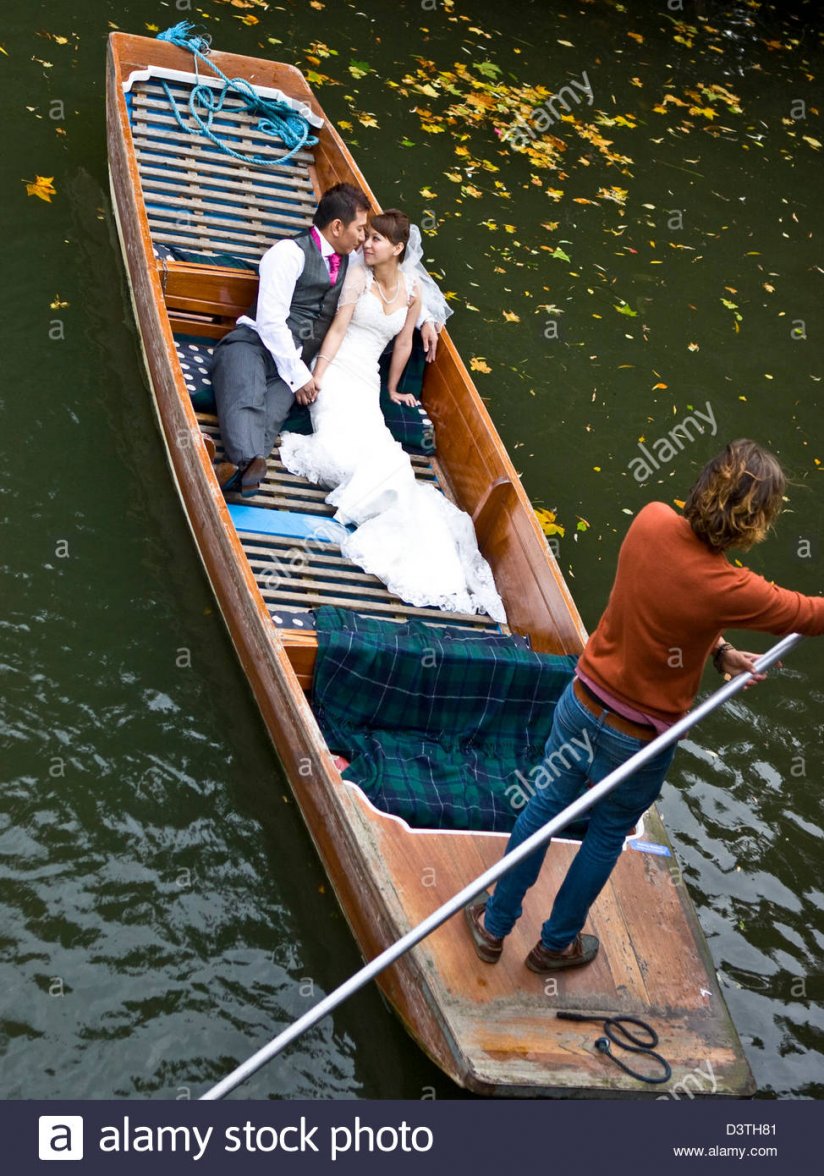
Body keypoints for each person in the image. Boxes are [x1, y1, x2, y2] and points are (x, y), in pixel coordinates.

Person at [465, 439, 824, 972]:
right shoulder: (736, 588)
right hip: (638, 742)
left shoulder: (651, 520)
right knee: (608, 833)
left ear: (704, 486)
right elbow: (810, 614)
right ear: (756, 524)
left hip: (583, 706)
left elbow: (667, 601)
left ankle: (493, 927)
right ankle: (555, 944)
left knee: (543, 809)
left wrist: (718, 649)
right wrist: (720, 644)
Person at [278, 210, 505, 621]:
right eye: (367, 236)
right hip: (339, 371)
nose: (367, 244)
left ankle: (417, 545)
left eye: (377, 240)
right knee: (340, 453)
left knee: (389, 461)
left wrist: (393, 388)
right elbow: (338, 328)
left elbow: (402, 343)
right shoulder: (358, 276)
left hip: (366, 379)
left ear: (398, 249)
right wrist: (318, 375)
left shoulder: (413, 289)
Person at [210, 184, 443, 497]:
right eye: (360, 230)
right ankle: (244, 466)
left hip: (297, 364)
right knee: (247, 395)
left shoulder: (353, 260)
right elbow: (270, 323)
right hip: (252, 345)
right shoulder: (288, 254)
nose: (364, 239)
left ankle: (239, 469)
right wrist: (302, 376)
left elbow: (399, 275)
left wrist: (427, 318)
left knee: (273, 413)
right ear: (337, 227)